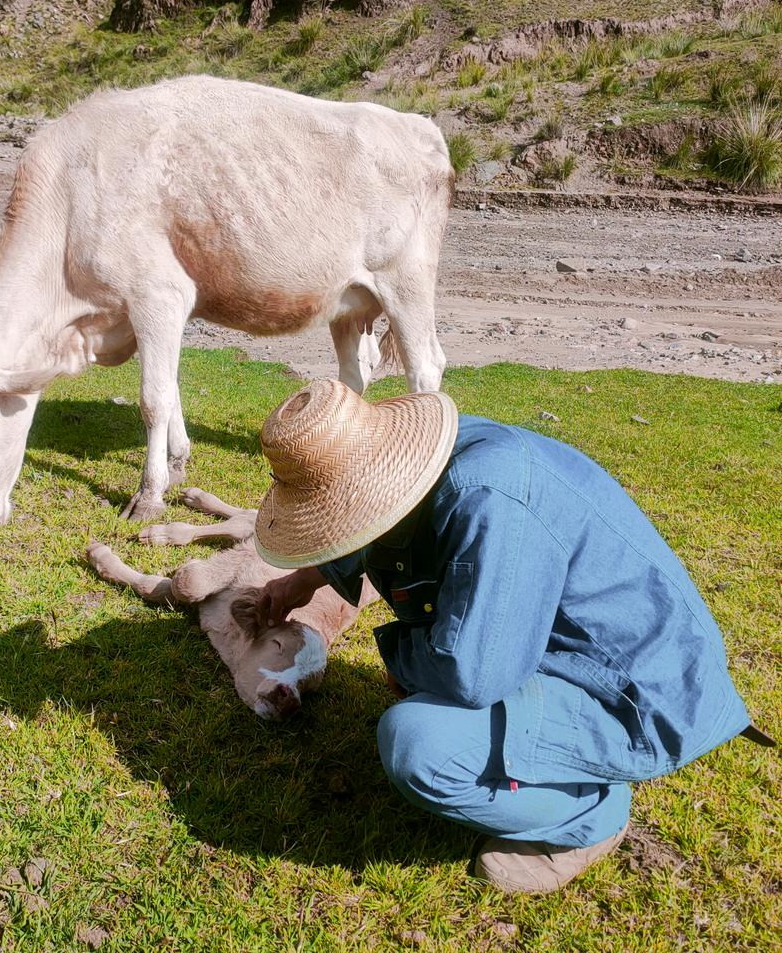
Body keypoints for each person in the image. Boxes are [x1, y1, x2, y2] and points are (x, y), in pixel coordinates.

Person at [250, 379, 768, 894]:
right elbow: (366, 524)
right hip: (574, 654)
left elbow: (472, 676)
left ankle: (586, 817)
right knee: (428, 687)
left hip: (639, 693)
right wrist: (302, 580)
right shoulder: (422, 463)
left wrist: (404, 658)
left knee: (420, 743)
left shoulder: (489, 496)